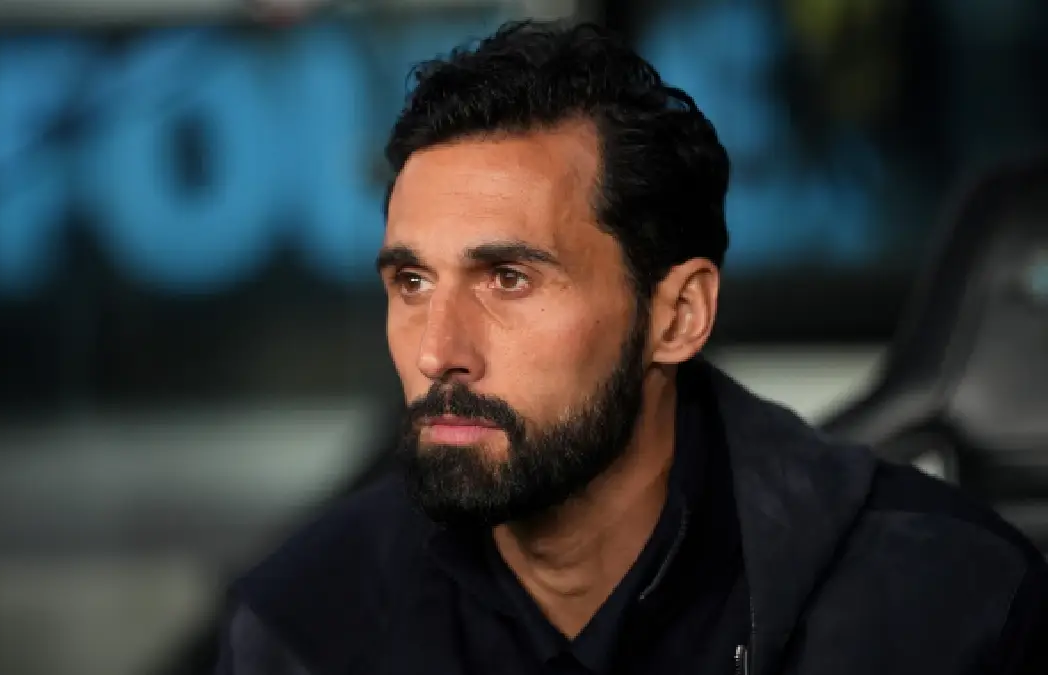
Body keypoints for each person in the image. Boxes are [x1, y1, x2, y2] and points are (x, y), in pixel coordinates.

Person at [214, 20, 1048, 675]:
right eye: (412, 283)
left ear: (678, 315)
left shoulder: (950, 604)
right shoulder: (304, 628)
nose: (439, 351)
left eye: (508, 278)